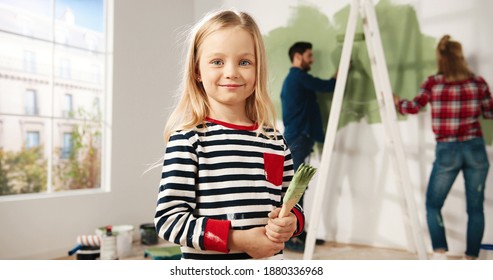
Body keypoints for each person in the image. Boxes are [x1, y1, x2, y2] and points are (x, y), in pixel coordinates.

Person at [154, 10, 305, 260]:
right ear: (197, 71)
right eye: (217, 62)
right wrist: (239, 240)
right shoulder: (188, 140)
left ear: (258, 69)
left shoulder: (275, 141)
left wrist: (292, 221)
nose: (232, 72)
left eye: (244, 62)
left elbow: (292, 203)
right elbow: (169, 220)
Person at [394, 35, 493, 260]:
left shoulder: (434, 83)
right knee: (475, 208)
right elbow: (489, 112)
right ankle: (471, 259)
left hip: (447, 150)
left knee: (433, 204)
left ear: (441, 58)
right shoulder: (478, 82)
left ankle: (440, 254)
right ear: (459, 57)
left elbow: (413, 107)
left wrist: (397, 101)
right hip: (475, 149)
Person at [280, 41, 337, 252]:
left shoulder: (295, 78)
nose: (311, 59)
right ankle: (289, 238)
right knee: (294, 189)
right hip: (298, 139)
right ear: (298, 57)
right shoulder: (298, 77)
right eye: (309, 55)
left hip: (300, 139)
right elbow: (327, 87)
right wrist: (338, 76)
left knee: (299, 188)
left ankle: (298, 232)